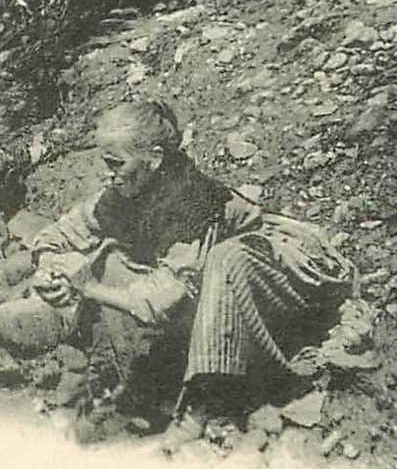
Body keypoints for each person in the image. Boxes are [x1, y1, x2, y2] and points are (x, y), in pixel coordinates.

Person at [28, 100, 354, 418]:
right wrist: (48, 268)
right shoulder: (127, 188)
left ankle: (203, 406)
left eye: (115, 164)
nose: (108, 175)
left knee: (117, 272)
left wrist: (87, 286)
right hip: (199, 286)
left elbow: (160, 301)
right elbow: (60, 233)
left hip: (274, 279)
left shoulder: (191, 203)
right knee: (111, 266)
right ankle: (131, 384)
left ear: (154, 159)